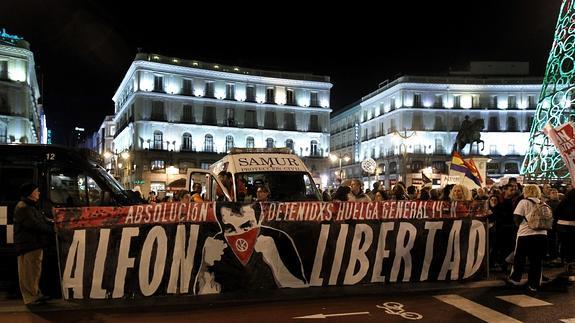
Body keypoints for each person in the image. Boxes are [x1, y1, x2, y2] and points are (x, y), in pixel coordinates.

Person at [194, 202, 307, 294]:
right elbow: (204, 295)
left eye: (247, 226)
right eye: (230, 228)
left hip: (270, 307)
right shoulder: (216, 244)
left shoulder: (277, 238)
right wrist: (206, 268)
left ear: (259, 220)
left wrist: (275, 261)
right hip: (230, 310)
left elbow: (300, 289)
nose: (239, 234)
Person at [14, 183, 54, 305]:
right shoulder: (24, 207)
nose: (39, 193)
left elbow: (40, 220)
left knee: (33, 271)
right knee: (29, 272)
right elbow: (35, 225)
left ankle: (35, 294)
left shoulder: (30, 206)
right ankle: (31, 297)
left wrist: (51, 221)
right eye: (36, 191)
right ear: (31, 193)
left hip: (32, 244)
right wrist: (53, 229)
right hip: (30, 245)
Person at [507, 184, 548, 292]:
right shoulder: (543, 203)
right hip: (542, 234)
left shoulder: (523, 202)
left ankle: (515, 279)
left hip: (525, 234)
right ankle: (534, 285)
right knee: (536, 260)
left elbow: (517, 219)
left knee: (519, 258)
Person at [555, 189, 575, 280]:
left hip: (561, 226)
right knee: (572, 246)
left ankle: (566, 264)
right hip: (573, 226)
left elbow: (556, 213)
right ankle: (571, 266)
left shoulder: (563, 202)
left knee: (564, 245)